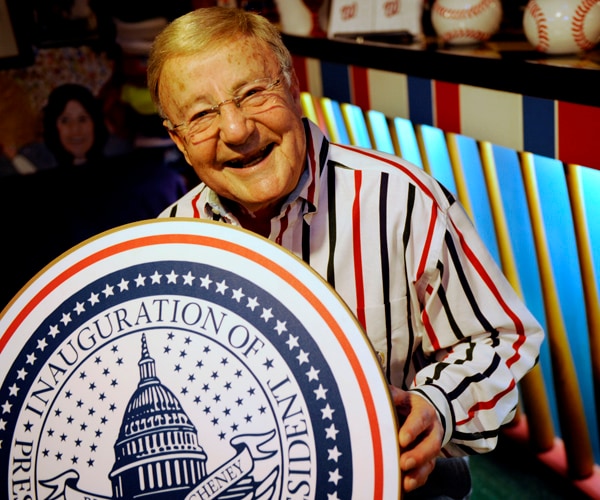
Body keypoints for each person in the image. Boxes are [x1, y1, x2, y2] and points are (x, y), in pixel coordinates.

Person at [146, 7, 544, 498]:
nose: (235, 129)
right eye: (202, 114)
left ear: (292, 88)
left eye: (251, 92)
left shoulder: (402, 198)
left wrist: (437, 407)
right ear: (179, 141)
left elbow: (500, 339)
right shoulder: (166, 246)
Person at [1, 83, 132, 175]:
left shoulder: (122, 156)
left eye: (82, 119)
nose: (75, 129)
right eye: (65, 120)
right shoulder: (36, 160)